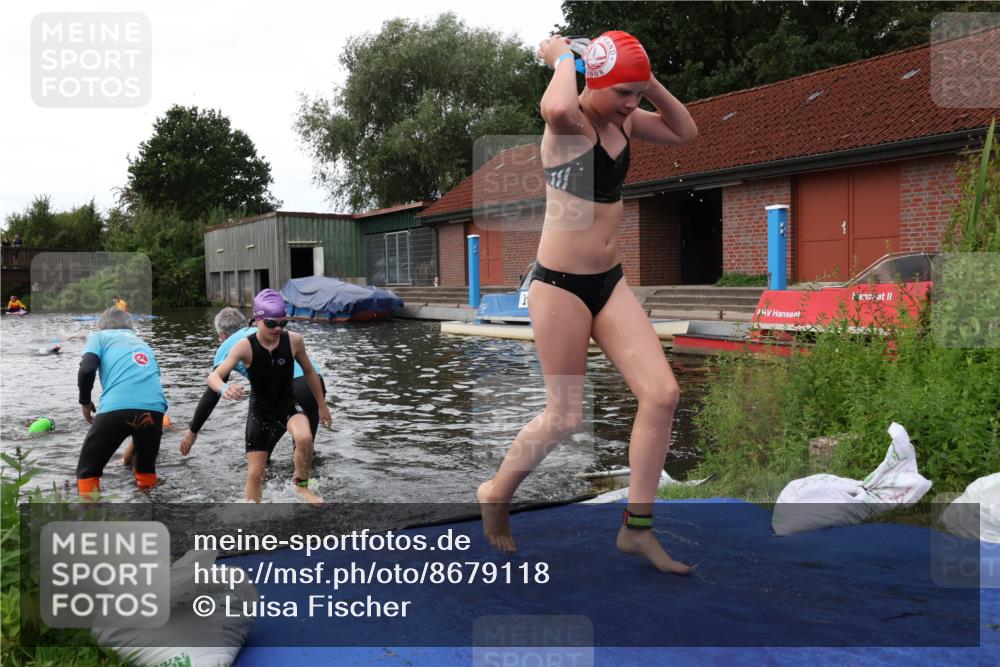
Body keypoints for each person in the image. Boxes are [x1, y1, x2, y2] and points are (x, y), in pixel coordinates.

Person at [476, 31, 699, 573]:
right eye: (623, 92)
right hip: (559, 287)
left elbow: (684, 130)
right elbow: (553, 101)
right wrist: (561, 57)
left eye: (636, 92)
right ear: (593, 79)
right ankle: (495, 492)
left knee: (663, 394)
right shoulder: (568, 123)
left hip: (609, 283)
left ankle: (637, 530)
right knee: (565, 417)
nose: (632, 103)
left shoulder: (624, 118)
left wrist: (644, 80)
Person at [122, 307, 328, 464]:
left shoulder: (233, 346)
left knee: (261, 459)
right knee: (304, 452)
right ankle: (306, 496)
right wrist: (322, 406)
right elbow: (308, 370)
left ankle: (272, 502)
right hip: (315, 386)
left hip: (288, 392)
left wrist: (193, 431)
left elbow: (212, 393)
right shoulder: (265, 332)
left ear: (222, 335)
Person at [209, 290, 330, 505]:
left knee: (304, 437)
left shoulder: (294, 341)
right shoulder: (244, 347)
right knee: (256, 473)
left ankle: (301, 486)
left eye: (283, 323)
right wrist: (224, 388)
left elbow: (310, 373)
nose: (278, 329)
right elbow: (214, 376)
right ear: (257, 320)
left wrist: (322, 406)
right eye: (272, 323)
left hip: (287, 407)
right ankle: (252, 510)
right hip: (260, 413)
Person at [77, 307, 167, 497]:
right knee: (145, 471)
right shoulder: (143, 343)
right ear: (130, 326)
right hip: (155, 409)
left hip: (117, 408)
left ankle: (90, 515)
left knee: (87, 471)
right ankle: (149, 511)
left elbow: (86, 370)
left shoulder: (99, 337)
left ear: (101, 325)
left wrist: (85, 401)